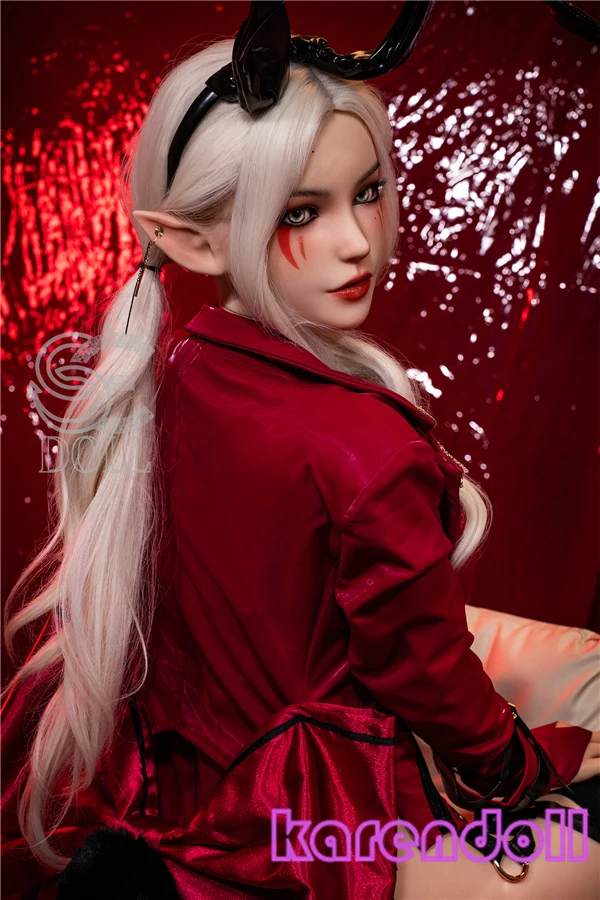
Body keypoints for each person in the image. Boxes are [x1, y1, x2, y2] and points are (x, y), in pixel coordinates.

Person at [2, 5, 599, 898]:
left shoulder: (171, 375)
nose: (357, 242)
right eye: (302, 211)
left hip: (166, 793)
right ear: (189, 238)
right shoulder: (366, 446)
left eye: (368, 192)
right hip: (306, 830)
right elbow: (423, 673)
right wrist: (520, 771)